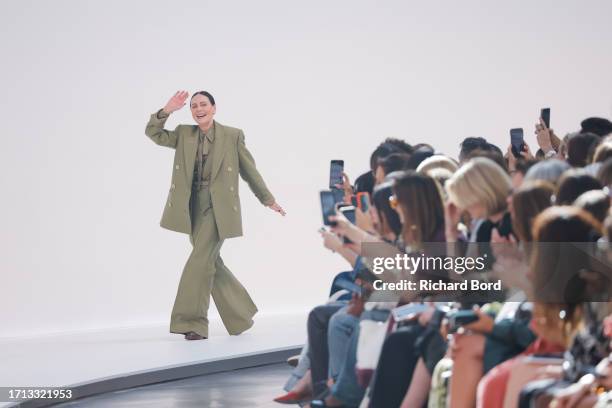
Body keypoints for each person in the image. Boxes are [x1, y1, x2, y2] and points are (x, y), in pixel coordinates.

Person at [145, 90, 285, 340]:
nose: (199, 109)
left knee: (199, 261)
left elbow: (249, 171)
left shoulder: (232, 135)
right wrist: (166, 110)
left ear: (214, 108)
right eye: (194, 106)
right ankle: (241, 314)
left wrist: (268, 199)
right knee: (210, 262)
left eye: (204, 105)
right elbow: (153, 133)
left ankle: (193, 322)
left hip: (219, 208)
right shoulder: (184, 134)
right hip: (190, 207)